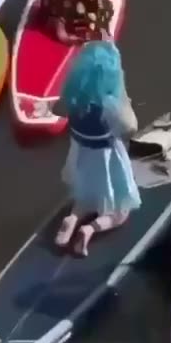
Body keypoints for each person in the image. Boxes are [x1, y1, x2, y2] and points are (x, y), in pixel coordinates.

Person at [54, 41, 140, 257]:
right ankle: (89, 229)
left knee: (84, 197)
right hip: (107, 159)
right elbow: (131, 128)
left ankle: (72, 218)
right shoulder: (109, 104)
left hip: (81, 153)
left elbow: (57, 110)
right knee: (121, 211)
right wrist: (123, 95)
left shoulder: (73, 97)